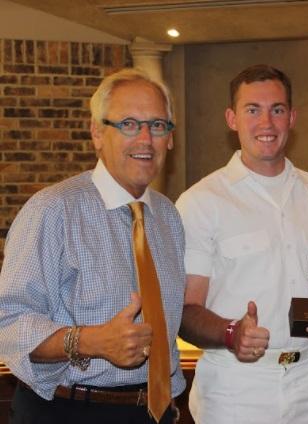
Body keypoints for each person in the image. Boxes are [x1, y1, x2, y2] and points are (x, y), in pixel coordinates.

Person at [0, 68, 185, 423]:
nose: (145, 139)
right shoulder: (53, 209)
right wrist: (92, 341)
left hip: (156, 411)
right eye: (129, 124)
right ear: (97, 133)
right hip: (68, 410)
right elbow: (9, 322)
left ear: (170, 139)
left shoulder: (168, 216)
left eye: (157, 125)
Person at [175, 64, 308, 424]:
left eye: (277, 110)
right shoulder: (200, 201)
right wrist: (231, 332)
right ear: (232, 118)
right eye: (252, 110)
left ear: (292, 117)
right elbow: (185, 309)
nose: (266, 123)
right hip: (236, 387)